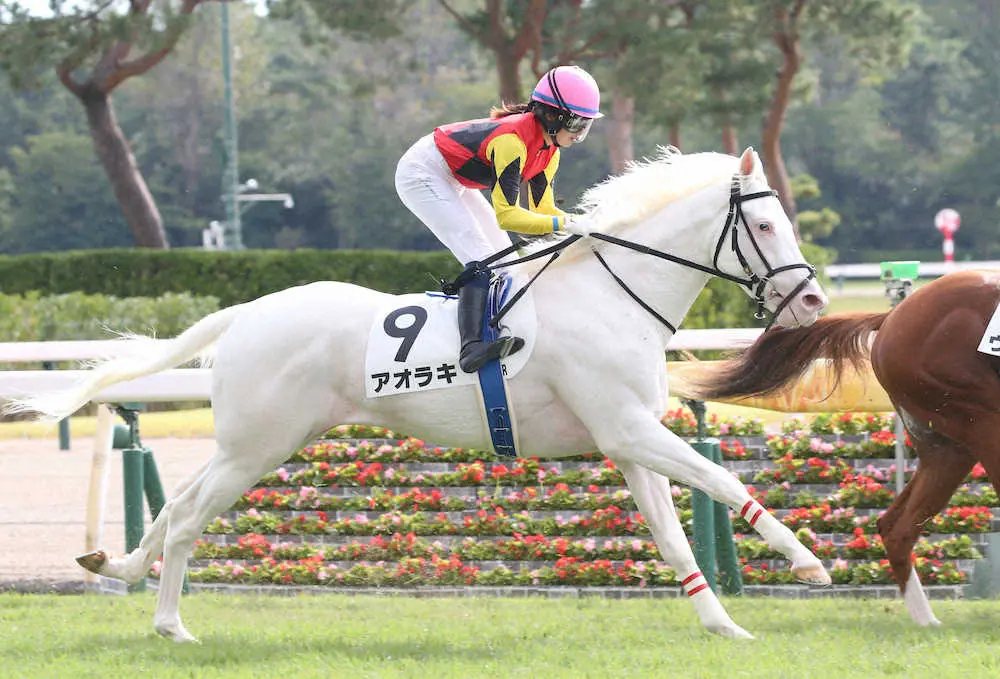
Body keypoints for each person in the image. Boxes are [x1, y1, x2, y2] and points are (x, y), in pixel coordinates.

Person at [395, 65, 603, 373]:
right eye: (575, 123)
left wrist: (582, 222)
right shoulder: (512, 141)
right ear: (551, 116)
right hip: (421, 172)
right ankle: (471, 349)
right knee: (481, 258)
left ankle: (501, 327)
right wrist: (565, 225)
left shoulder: (550, 150)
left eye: (584, 125)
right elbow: (508, 216)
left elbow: (544, 210)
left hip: (453, 177)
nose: (578, 134)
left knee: (506, 263)